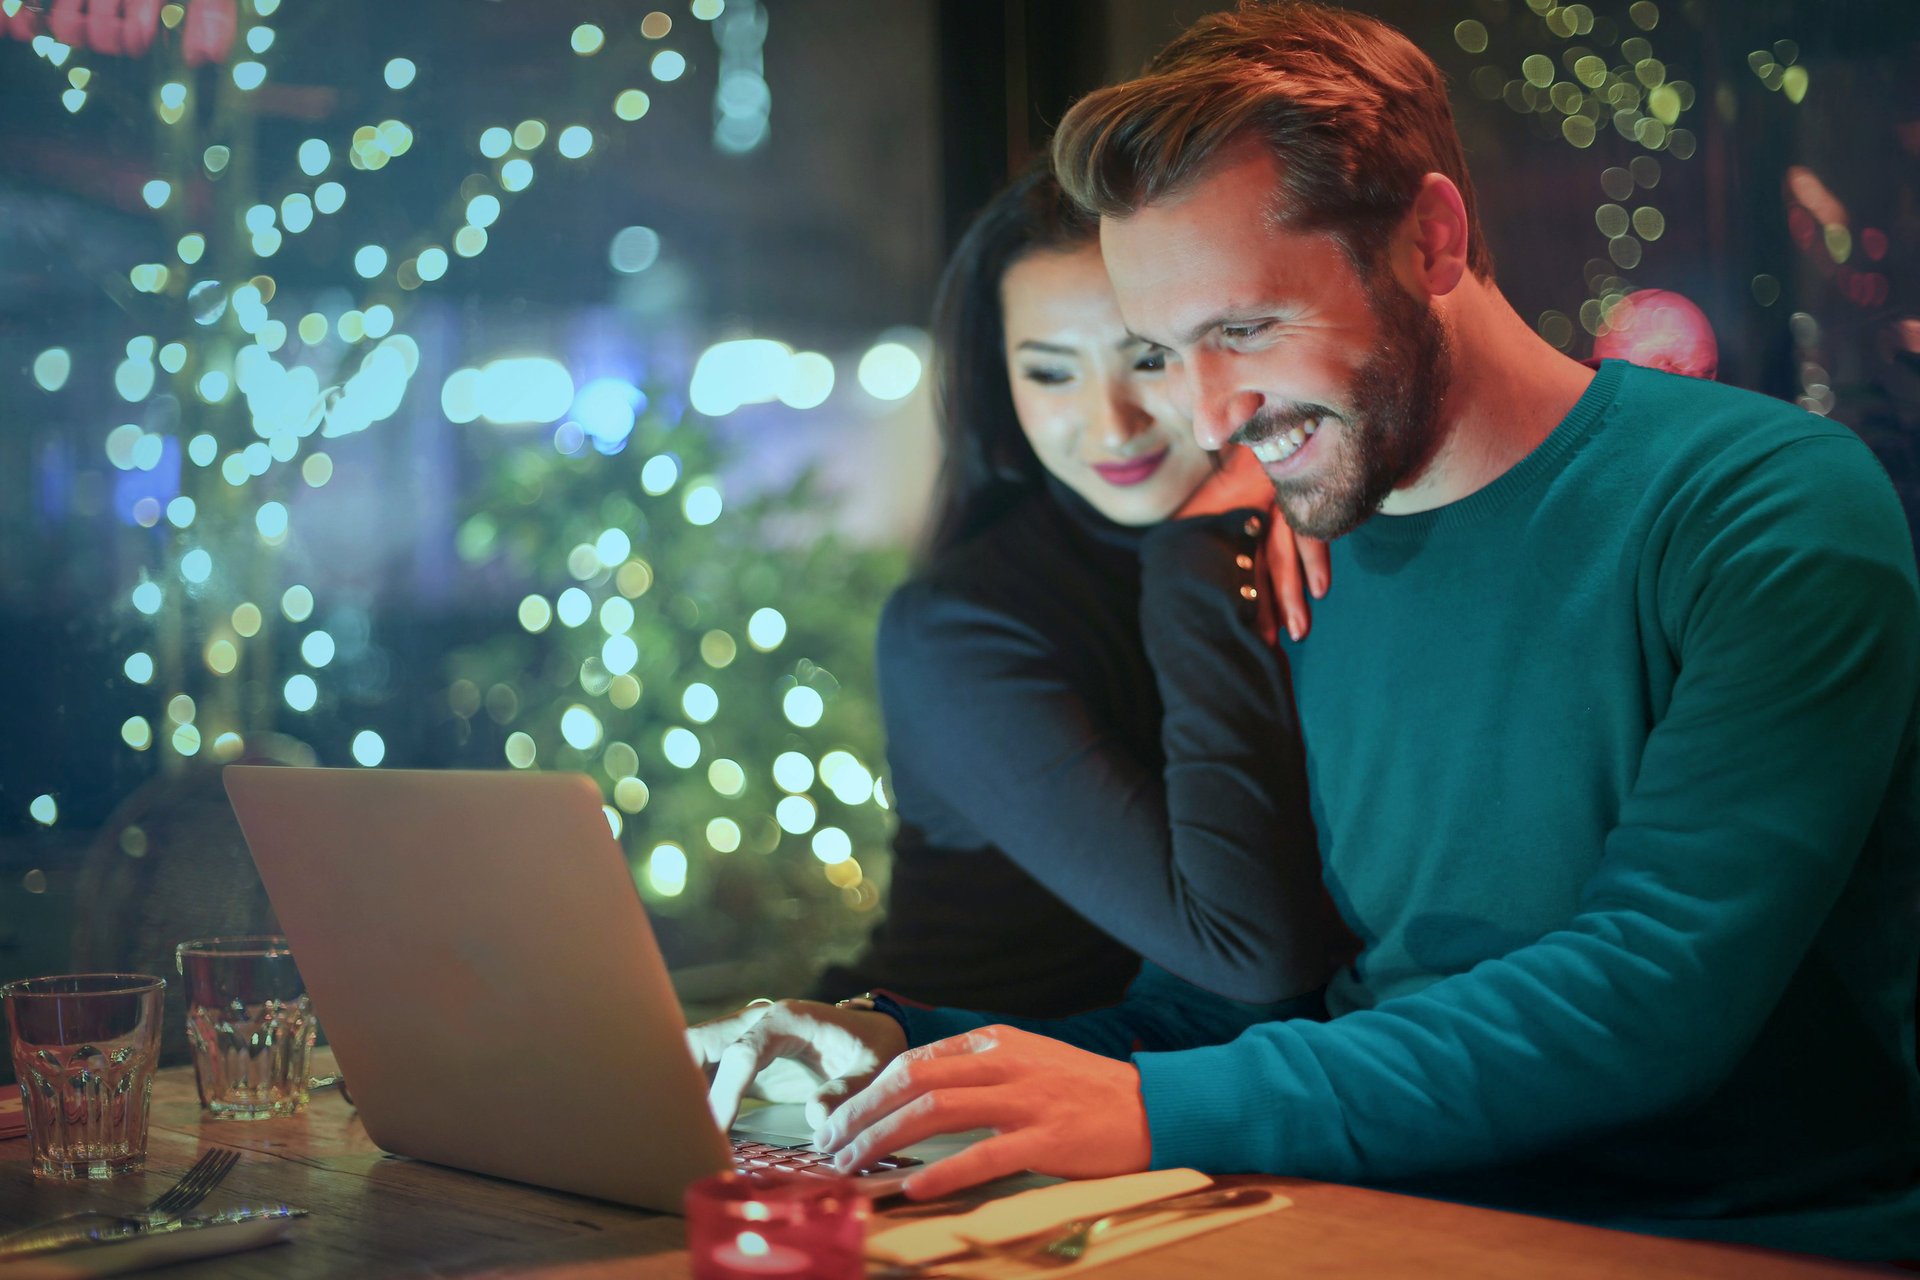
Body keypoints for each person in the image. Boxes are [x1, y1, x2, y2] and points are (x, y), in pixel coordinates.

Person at [690, 1, 1920, 1260]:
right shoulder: (1296, 547)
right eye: (1167, 351)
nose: (1207, 415)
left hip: (1731, 1235)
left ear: (1431, 239)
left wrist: (1155, 1106)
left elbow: (1659, 985)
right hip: (1372, 1215)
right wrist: (913, 1049)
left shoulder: (1761, 505)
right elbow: (1249, 1018)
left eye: (1244, 329)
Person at [809, 161, 1348, 1020]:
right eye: (1051, 373)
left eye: (1147, 359)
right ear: (1000, 382)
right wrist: (1200, 543)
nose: (1111, 423)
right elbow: (1251, 953)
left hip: (1163, 1107)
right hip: (920, 1095)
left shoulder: (1308, 534)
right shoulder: (960, 628)